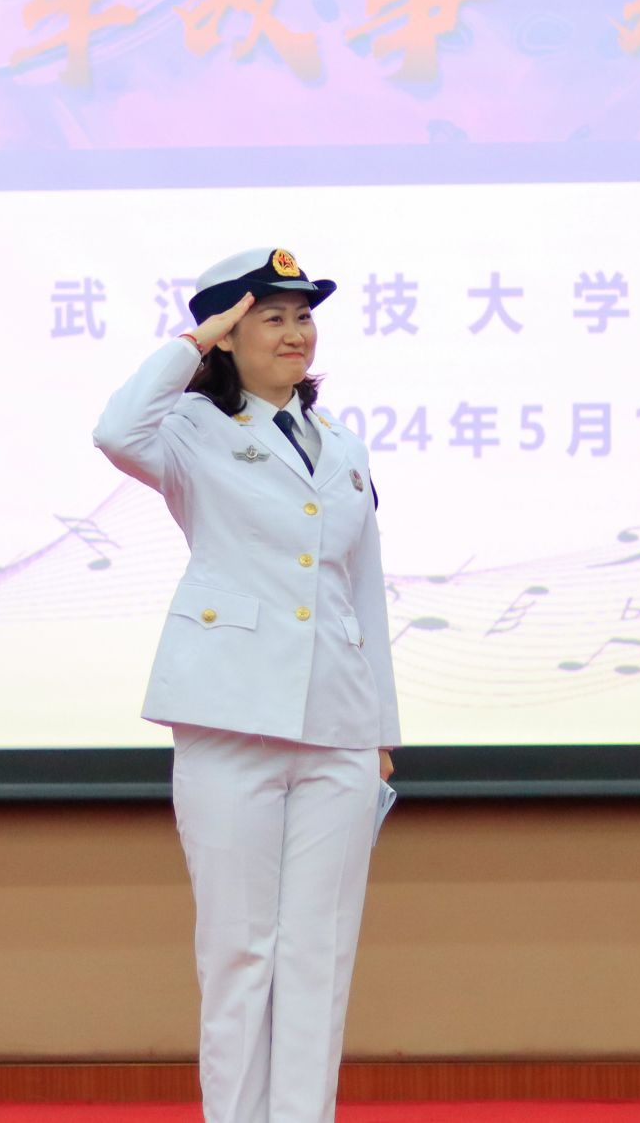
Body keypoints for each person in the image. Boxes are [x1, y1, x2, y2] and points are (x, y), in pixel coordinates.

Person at [93, 246, 400, 1123]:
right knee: (239, 952)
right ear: (229, 333)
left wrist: (382, 733)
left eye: (304, 317)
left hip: (338, 724)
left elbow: (363, 591)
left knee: (318, 954)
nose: (296, 332)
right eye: (271, 317)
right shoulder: (190, 431)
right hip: (229, 718)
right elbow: (115, 430)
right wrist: (196, 338)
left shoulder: (342, 444)